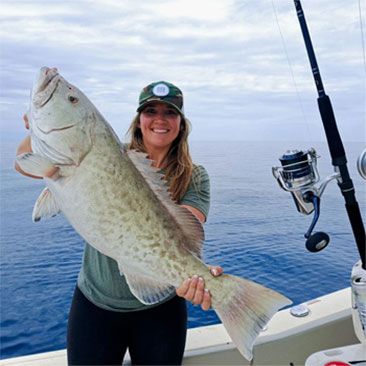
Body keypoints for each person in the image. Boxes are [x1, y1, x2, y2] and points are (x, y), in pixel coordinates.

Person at [15, 80, 223, 365]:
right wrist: (36, 127)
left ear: (181, 124)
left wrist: (198, 276)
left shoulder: (196, 176)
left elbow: (188, 234)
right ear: (139, 121)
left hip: (162, 309)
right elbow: (23, 163)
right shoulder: (104, 151)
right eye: (150, 111)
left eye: (170, 113)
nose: (159, 120)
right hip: (95, 303)